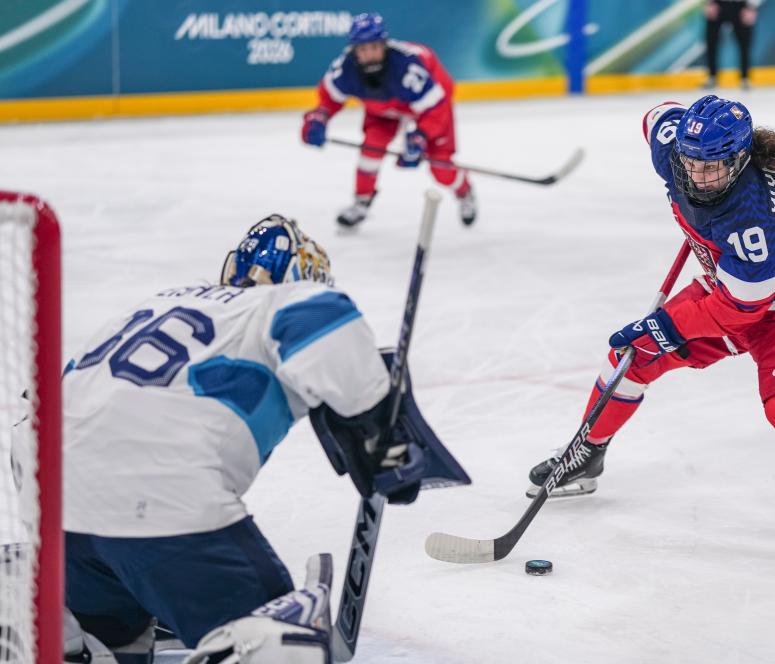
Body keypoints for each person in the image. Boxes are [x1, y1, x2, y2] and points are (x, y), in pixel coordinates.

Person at [57, 215, 468, 661]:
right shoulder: (283, 302)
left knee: (112, 639)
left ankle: (101, 625)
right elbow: (320, 316)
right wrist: (377, 426)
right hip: (162, 505)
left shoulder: (157, 305)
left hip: (56, 515)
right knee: (273, 645)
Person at [527, 95, 775, 567]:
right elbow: (657, 114)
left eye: (712, 167)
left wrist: (665, 325)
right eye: (691, 162)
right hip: (727, 283)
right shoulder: (675, 149)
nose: (698, 176)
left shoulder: (753, 218)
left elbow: (741, 310)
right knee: (632, 356)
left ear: (740, 159)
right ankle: (588, 452)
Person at [301, 12, 476, 229]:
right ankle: (362, 201)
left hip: (429, 104)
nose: (370, 54)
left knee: (441, 169)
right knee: (371, 148)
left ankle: (465, 192)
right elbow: (329, 99)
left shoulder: (408, 67)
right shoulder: (345, 68)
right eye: (363, 49)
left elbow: (436, 109)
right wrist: (319, 117)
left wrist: (421, 136)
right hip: (383, 109)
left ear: (384, 44)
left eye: (374, 47)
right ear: (354, 50)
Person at [703, 0, 760, 90]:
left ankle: (745, 78)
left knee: (745, 44)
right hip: (717, 3)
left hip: (741, 5)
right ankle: (712, 77)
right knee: (711, 42)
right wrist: (709, 3)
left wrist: (751, 7)